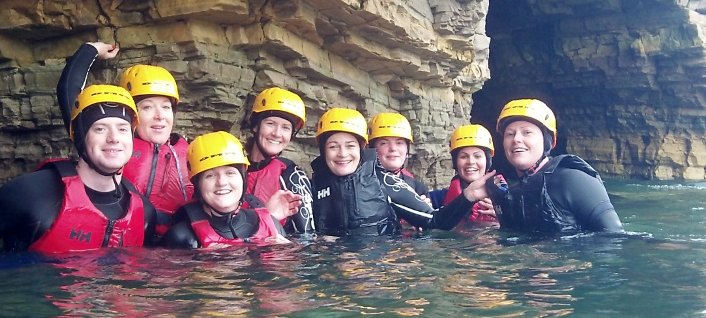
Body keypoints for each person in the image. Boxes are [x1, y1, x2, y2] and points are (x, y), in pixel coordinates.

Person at [0, 85, 158, 255]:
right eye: (100, 129)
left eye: (122, 129)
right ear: (79, 138)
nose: (113, 139)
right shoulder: (32, 193)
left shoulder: (143, 211)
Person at [57, 42, 193, 235]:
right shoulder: (109, 149)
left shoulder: (192, 153)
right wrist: (90, 50)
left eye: (166, 106)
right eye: (147, 107)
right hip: (125, 247)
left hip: (180, 251)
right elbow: (69, 90)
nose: (160, 116)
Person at [310, 108, 493, 236]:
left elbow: (434, 221)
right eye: (333, 146)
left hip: (376, 273)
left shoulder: (386, 182)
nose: (342, 154)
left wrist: (467, 196)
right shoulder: (314, 185)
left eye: (350, 146)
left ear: (362, 148)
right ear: (323, 150)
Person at [487, 99, 624, 235]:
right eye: (510, 134)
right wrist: (470, 198)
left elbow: (614, 237)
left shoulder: (573, 180)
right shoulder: (513, 193)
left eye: (527, 132)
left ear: (547, 141)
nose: (516, 139)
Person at [160, 131, 295, 248]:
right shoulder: (183, 237)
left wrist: (284, 256)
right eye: (210, 175)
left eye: (230, 173)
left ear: (243, 178)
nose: (222, 182)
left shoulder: (273, 228)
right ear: (198, 185)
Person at [245, 87, 314, 234]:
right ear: (256, 126)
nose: (277, 133)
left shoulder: (293, 177)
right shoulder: (233, 171)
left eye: (286, 128)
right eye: (270, 123)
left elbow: (306, 238)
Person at [427, 125, 501, 223]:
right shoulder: (436, 199)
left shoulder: (504, 199)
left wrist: (503, 216)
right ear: (455, 162)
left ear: (487, 162)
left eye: (477, 156)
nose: (470, 162)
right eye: (463, 156)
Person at [367, 112, 429, 195]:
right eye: (384, 143)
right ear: (372, 148)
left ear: (407, 149)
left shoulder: (418, 189)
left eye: (399, 143)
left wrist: (423, 207)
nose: (393, 148)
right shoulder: (360, 186)